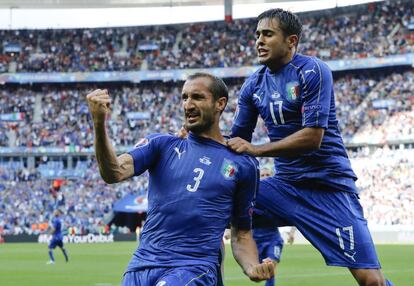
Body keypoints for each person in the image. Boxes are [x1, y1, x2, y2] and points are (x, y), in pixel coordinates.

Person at [227, 8, 393, 286]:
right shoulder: (253, 85)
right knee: (210, 209)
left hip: (329, 189)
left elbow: (312, 138)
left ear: (291, 41)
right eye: (257, 35)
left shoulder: (313, 70)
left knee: (372, 282)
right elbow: (236, 143)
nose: (259, 41)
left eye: (268, 34)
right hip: (285, 187)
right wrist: (198, 139)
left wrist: (257, 150)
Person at [87, 72, 274, 286]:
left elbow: (241, 233)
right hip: (141, 265)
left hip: (193, 266)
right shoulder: (161, 145)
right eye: (184, 97)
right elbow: (113, 172)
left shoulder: (242, 164)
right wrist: (99, 123)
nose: (188, 104)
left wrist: (251, 267)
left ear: (219, 104)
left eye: (197, 97)